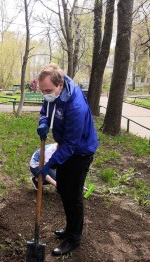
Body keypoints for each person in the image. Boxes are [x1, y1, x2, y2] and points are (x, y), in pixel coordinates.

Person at [36, 63, 99, 256]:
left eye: (48, 90)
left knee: (73, 196)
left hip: (80, 152)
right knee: (63, 188)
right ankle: (70, 227)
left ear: (60, 85)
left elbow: (72, 144)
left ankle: (74, 238)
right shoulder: (53, 92)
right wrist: (43, 121)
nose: (45, 94)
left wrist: (49, 164)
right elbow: (46, 107)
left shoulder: (76, 105)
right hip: (66, 148)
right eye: (42, 91)